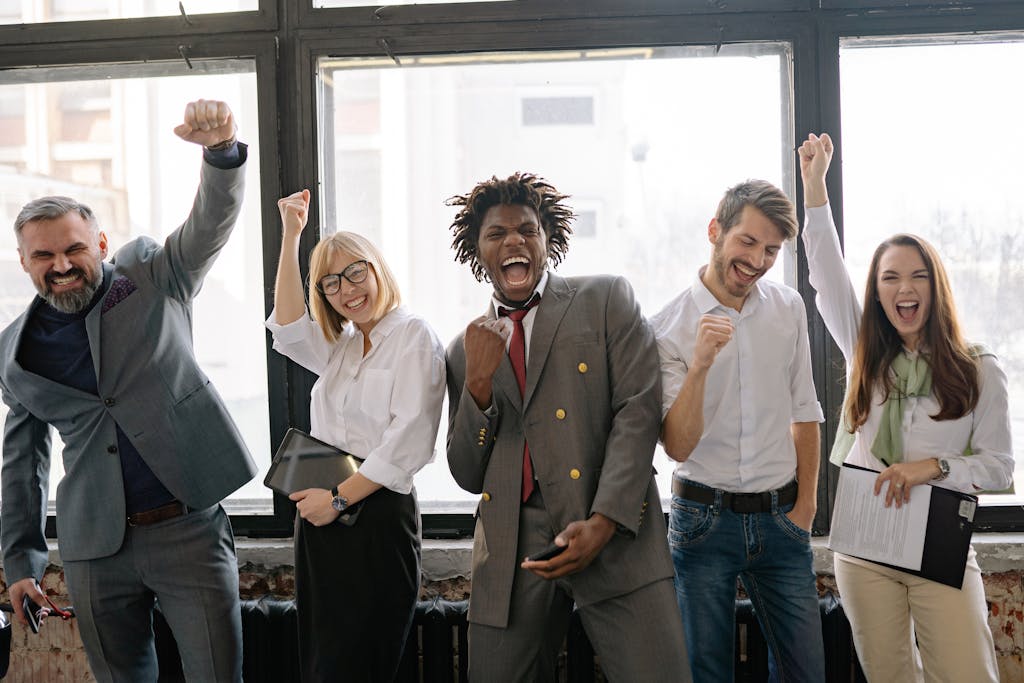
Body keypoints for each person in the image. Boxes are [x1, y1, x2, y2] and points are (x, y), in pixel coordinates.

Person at [0, 99, 256, 682]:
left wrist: (220, 155)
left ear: (100, 243)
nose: (61, 264)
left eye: (73, 249)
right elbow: (23, 465)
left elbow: (207, 228)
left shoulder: (151, 276)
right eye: (44, 255)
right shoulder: (14, 352)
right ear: (24, 262)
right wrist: (22, 562)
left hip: (187, 526)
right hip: (94, 548)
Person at [445, 172, 691, 683]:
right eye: (496, 234)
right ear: (477, 250)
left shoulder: (604, 300)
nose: (513, 240)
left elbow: (637, 412)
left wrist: (603, 522)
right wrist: (478, 387)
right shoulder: (462, 349)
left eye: (527, 229)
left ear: (547, 240)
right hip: (511, 549)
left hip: (616, 529)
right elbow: (469, 473)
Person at [799, 132, 1013, 682]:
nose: (904, 288)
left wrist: (934, 467)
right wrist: (815, 188)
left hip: (940, 538)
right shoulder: (864, 352)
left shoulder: (977, 368)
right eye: (890, 277)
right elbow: (824, 271)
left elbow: (998, 468)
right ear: (876, 293)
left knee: (967, 673)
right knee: (889, 675)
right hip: (866, 541)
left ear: (935, 288)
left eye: (918, 275)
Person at [266, 189, 445, 682]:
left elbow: (407, 444)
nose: (346, 290)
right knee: (324, 665)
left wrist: (338, 503)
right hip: (322, 524)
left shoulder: (413, 336)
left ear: (377, 268)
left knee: (370, 662)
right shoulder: (343, 346)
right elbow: (286, 326)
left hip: (372, 518)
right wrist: (291, 236)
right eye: (329, 283)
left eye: (353, 273)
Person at [652, 179, 826, 682]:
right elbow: (677, 444)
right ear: (716, 231)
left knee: (806, 673)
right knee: (706, 673)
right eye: (747, 242)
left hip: (782, 518)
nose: (757, 260)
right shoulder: (666, 327)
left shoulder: (788, 307)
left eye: (771, 249)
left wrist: (806, 508)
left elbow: (805, 410)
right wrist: (702, 364)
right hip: (702, 521)